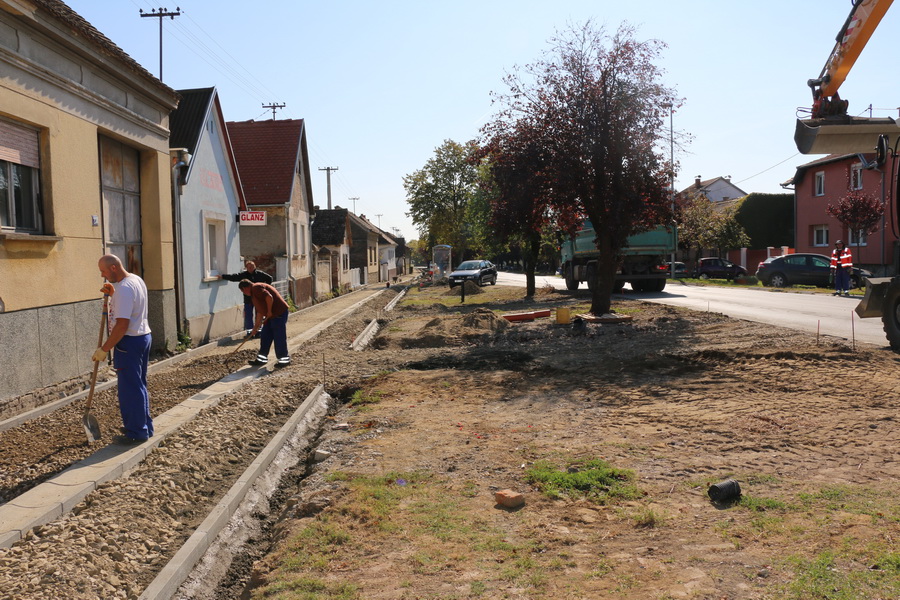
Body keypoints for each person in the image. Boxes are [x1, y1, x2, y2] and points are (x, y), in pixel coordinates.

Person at [94, 254, 153, 444]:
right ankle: (145, 426)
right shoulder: (135, 280)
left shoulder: (125, 289)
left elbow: (121, 325)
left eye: (103, 271)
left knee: (129, 389)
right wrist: (113, 294)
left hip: (129, 342)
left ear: (113, 268)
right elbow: (130, 306)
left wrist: (104, 349)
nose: (102, 275)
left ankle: (136, 432)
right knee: (138, 385)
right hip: (143, 337)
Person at [238, 279, 291, 368]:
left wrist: (269, 311)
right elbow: (260, 312)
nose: (244, 294)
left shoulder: (256, 288)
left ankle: (284, 359)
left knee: (278, 336)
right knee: (265, 335)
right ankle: (262, 359)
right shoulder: (254, 295)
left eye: (243, 291)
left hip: (278, 314)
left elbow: (269, 297)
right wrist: (255, 328)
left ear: (245, 288)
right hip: (270, 317)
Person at [220, 261, 273, 335]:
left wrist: (265, 287)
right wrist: (223, 276)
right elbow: (234, 277)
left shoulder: (260, 274)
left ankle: (259, 330)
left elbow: (270, 278)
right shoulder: (244, 275)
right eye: (248, 267)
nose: (250, 268)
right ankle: (249, 331)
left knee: (259, 313)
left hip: (259, 298)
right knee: (248, 314)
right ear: (246, 268)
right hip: (248, 299)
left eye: (252, 266)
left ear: (255, 266)